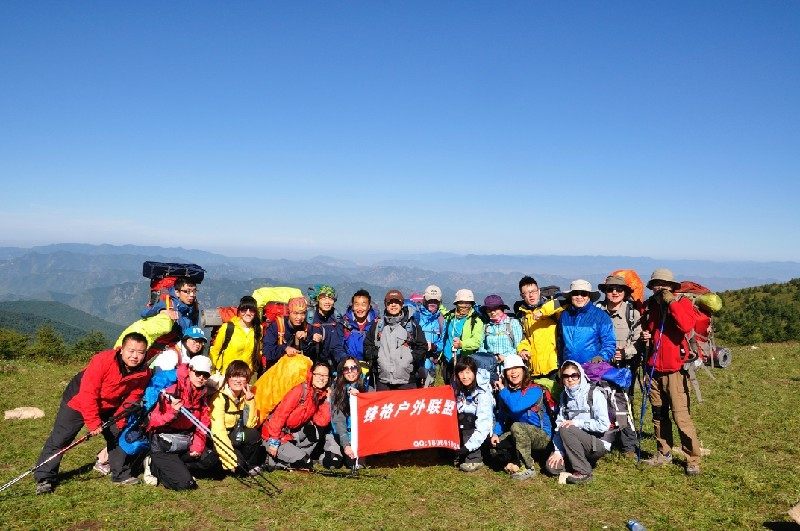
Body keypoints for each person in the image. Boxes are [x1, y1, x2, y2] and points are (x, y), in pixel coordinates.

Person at [34, 332, 151, 494]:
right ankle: (45, 477)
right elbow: (88, 392)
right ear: (121, 349)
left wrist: (120, 419)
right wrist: (93, 422)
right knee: (61, 437)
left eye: (140, 352)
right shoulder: (103, 360)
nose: (135, 356)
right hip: (78, 399)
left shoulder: (144, 372)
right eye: (131, 351)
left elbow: (134, 396)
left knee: (118, 434)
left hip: (110, 404)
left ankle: (120, 474)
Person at [641, 268, 702, 475]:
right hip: (653, 369)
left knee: (681, 416)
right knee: (659, 414)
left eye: (664, 284)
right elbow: (650, 331)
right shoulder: (651, 306)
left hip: (675, 371)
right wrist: (646, 336)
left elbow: (686, 325)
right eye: (656, 284)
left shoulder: (682, 303)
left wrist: (671, 303)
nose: (660, 288)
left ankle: (692, 459)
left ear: (671, 287)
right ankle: (664, 452)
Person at [146, 355, 213, 490]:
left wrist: (197, 447)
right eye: (198, 373)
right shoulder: (172, 390)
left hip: (184, 443)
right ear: (190, 370)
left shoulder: (202, 394)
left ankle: (177, 468)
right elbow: (153, 421)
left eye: (205, 375)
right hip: (164, 445)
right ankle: (153, 465)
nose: (201, 378)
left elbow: (202, 424)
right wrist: (172, 412)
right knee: (185, 484)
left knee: (211, 461)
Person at [596, 274, 643, 456]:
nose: (615, 292)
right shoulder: (597, 311)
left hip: (625, 366)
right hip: (602, 365)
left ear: (625, 292)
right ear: (605, 292)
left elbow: (638, 340)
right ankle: (606, 439)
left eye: (619, 289)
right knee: (602, 401)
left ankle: (628, 445)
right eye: (610, 289)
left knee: (624, 403)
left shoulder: (632, 313)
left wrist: (626, 352)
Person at [546, 360, 612, 484]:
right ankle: (577, 462)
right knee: (552, 468)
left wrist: (577, 423)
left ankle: (583, 472)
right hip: (572, 440)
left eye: (574, 375)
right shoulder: (564, 396)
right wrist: (558, 451)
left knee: (567, 428)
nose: (570, 379)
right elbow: (559, 424)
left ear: (580, 375)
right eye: (566, 376)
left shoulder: (594, 394)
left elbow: (604, 425)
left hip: (596, 443)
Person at [491, 354, 552, 480]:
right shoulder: (506, 393)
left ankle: (528, 467)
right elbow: (502, 416)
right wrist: (496, 433)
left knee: (516, 427)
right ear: (505, 373)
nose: (513, 372)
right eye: (509, 369)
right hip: (519, 434)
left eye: (516, 368)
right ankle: (516, 460)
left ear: (524, 370)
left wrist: (503, 390)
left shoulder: (534, 390)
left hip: (542, 437)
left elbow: (515, 407)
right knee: (495, 448)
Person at [263, 361, 332, 470]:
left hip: (291, 434)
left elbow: (321, 421)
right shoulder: (300, 390)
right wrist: (274, 442)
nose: (321, 378)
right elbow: (279, 415)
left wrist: (327, 400)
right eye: (318, 374)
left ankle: (294, 457)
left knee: (316, 432)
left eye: (325, 375)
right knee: (305, 462)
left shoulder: (319, 395)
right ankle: (271, 457)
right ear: (311, 374)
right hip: (274, 434)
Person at [363, 289, 428, 391]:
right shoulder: (378, 326)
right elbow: (367, 345)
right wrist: (378, 356)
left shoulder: (412, 326)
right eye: (390, 302)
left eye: (397, 302)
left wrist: (409, 359)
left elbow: (422, 346)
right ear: (386, 305)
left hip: (407, 380)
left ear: (402, 304)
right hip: (383, 380)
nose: (393, 305)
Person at [208, 360, 263, 474]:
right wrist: (231, 459)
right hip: (219, 439)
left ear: (247, 380)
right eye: (234, 376)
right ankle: (233, 463)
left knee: (253, 434)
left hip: (235, 436)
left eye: (242, 376)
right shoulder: (219, 398)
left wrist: (249, 401)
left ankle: (249, 464)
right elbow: (218, 432)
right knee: (239, 466)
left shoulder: (245, 396)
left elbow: (249, 424)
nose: (238, 380)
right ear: (228, 378)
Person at [514, 276, 563, 391]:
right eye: (526, 293)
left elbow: (563, 303)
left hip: (554, 366)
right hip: (534, 367)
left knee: (557, 397)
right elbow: (526, 338)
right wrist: (523, 349)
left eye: (533, 291)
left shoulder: (550, 307)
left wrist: (543, 311)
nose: (531, 295)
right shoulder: (524, 314)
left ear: (539, 291)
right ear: (522, 296)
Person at [322, 356, 371, 469]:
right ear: (342, 372)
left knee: (355, 464)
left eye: (353, 368)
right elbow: (338, 420)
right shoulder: (336, 389)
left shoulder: (367, 388)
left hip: (358, 436)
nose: (350, 372)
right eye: (346, 369)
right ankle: (329, 452)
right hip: (338, 433)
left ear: (358, 369)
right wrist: (346, 444)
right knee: (332, 463)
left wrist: (360, 398)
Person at [557, 280, 616, 366]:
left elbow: (609, 343)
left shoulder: (601, 316)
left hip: (592, 368)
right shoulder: (564, 315)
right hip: (569, 369)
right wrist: (561, 364)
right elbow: (560, 343)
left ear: (589, 296)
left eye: (583, 294)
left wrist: (601, 357)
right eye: (575, 293)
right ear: (571, 296)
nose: (579, 297)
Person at [453, 356, 494, 472]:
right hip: (467, 428)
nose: (464, 376)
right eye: (461, 372)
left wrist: (468, 447)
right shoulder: (458, 388)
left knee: (467, 418)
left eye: (468, 372)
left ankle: (474, 458)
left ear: (475, 373)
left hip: (483, 431)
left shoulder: (483, 392)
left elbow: (484, 424)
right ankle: (457, 452)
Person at [209, 295, 262, 376]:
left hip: (245, 376)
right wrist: (212, 373)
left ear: (255, 312)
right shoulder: (228, 328)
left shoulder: (257, 329)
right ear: (239, 311)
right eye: (244, 310)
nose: (248, 313)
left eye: (251, 310)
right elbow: (215, 351)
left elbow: (257, 352)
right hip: (226, 375)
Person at [441, 289, 484, 384]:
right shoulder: (451, 316)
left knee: (462, 386)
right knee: (448, 386)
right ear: (456, 304)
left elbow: (477, 341)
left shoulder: (476, 320)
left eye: (467, 304)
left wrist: (462, 344)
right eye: (461, 303)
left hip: (464, 361)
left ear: (471, 304)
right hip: (447, 359)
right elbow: (442, 312)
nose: (464, 306)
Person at [262, 296, 315, 365]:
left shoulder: (307, 328)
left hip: (297, 367)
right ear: (289, 312)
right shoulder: (276, 326)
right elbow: (267, 352)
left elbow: (312, 355)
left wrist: (306, 339)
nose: (299, 317)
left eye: (303, 313)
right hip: (277, 367)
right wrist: (285, 349)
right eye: (295, 313)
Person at [480, 294, 523, 374]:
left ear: (502, 309)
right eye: (489, 310)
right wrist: (491, 359)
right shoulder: (486, 327)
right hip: (491, 369)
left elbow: (519, 346)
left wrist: (505, 357)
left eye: (495, 309)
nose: (492, 312)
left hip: (510, 368)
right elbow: (482, 348)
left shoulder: (513, 323)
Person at [414, 284, 445, 387]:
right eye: (430, 300)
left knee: (428, 392)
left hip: (431, 363)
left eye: (435, 301)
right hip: (415, 362)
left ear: (439, 302)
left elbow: (443, 341)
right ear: (425, 300)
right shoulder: (416, 316)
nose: (432, 303)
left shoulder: (441, 320)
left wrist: (434, 347)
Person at [307, 284, 347, 367]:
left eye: (330, 298)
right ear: (317, 299)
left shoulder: (337, 318)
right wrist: (312, 340)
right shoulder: (309, 318)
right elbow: (303, 345)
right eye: (323, 298)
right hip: (311, 362)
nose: (327, 302)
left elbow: (337, 346)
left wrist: (344, 360)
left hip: (331, 364)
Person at [342, 289, 379, 373]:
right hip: (349, 369)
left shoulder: (376, 324)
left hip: (371, 369)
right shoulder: (344, 324)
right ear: (352, 306)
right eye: (356, 304)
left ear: (369, 306)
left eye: (363, 304)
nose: (360, 308)